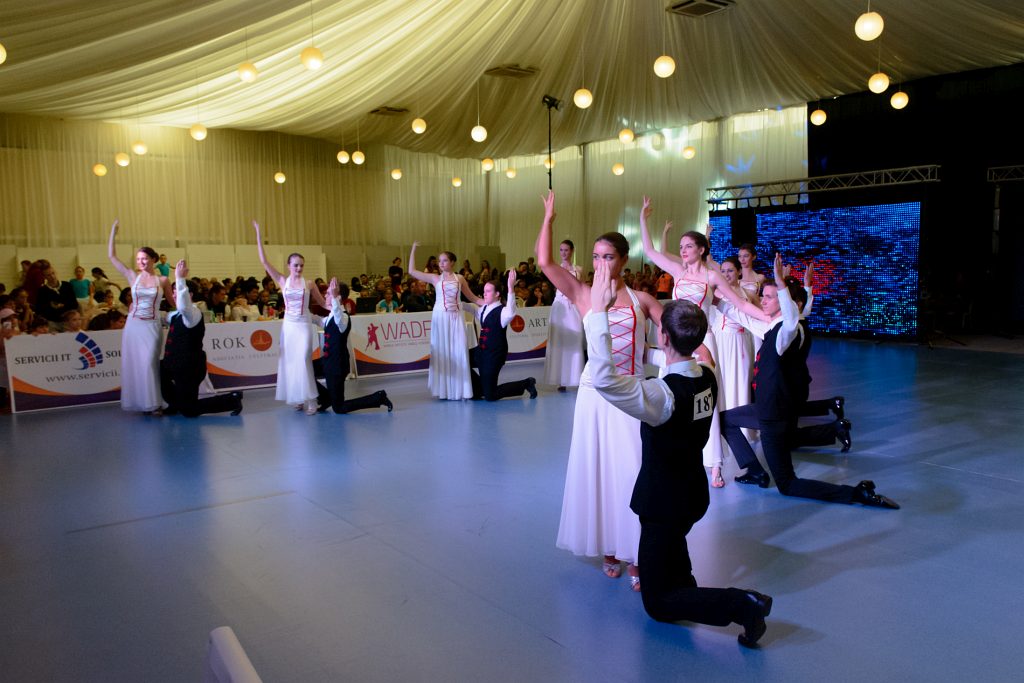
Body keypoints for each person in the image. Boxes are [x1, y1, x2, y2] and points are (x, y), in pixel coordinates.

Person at [586, 260, 773, 647]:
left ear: (664, 336)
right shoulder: (708, 374)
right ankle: (687, 585)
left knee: (658, 603)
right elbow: (676, 362)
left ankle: (743, 605)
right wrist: (649, 353)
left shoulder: (661, 396)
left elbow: (604, 379)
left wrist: (599, 313)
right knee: (674, 554)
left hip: (663, 502)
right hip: (691, 494)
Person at [539, 191, 663, 589]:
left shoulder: (643, 300)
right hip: (595, 394)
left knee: (632, 470)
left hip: (632, 393)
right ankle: (610, 547)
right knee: (600, 471)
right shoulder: (581, 293)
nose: (599, 264)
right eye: (595, 257)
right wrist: (548, 219)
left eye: (607, 257)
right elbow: (544, 263)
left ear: (624, 260)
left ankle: (636, 550)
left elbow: (676, 335)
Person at [716, 253, 899, 508]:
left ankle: (856, 493)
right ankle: (754, 470)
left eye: (769, 297)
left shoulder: (786, 333)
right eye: (764, 296)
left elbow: (793, 319)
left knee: (787, 484)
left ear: (786, 302)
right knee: (726, 420)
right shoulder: (774, 328)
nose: (762, 300)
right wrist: (716, 301)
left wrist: (782, 284)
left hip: (773, 415)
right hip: (771, 409)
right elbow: (745, 318)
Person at [640, 197, 747, 488]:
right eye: (681, 246)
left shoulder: (712, 276)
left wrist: (764, 317)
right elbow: (649, 250)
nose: (683, 250)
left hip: (703, 340)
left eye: (688, 246)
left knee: (704, 400)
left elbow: (737, 302)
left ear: (701, 249)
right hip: (676, 341)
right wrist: (643, 219)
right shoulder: (678, 272)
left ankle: (715, 464)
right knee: (674, 396)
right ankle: (675, 454)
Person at [252, 220, 325, 414]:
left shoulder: (309, 284)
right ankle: (298, 398)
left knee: (303, 360)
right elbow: (264, 261)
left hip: (304, 325)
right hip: (289, 326)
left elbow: (323, 303)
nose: (299, 268)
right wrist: (258, 234)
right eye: (295, 265)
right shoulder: (282, 280)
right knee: (291, 362)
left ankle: (312, 399)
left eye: (301, 265)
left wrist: (336, 305)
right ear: (289, 265)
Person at [160, 260, 243, 417]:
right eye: (173, 292)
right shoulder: (174, 315)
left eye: (176, 292)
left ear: (189, 295)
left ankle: (232, 399)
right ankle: (175, 404)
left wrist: (180, 279)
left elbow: (183, 306)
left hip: (189, 368)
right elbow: (164, 316)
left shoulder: (193, 313)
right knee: (159, 370)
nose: (173, 295)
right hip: (173, 364)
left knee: (189, 410)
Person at [108, 219, 173, 413]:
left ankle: (155, 401)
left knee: (149, 362)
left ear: (153, 259)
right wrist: (113, 233)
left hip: (152, 326)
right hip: (133, 326)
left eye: (144, 258)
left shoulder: (163, 280)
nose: (140, 262)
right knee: (136, 364)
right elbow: (112, 256)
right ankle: (146, 403)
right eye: (138, 259)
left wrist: (190, 308)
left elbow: (173, 302)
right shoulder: (132, 276)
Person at [408, 242, 482, 400]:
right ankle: (444, 390)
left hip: (456, 317)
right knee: (442, 351)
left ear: (452, 262)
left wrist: (488, 302)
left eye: (444, 260)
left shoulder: (460, 278)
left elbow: (472, 297)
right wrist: (413, 249)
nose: (441, 263)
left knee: (458, 351)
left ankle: (460, 389)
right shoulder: (435, 278)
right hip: (440, 317)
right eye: (439, 261)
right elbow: (412, 271)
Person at [314, 277, 393, 414]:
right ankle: (325, 398)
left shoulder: (343, 317)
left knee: (338, 408)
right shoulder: (331, 316)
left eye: (328, 293)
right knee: (306, 370)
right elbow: (318, 320)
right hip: (327, 361)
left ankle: (378, 398)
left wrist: (334, 297)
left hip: (337, 366)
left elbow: (338, 317)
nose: (325, 295)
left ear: (338, 297)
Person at [470, 270, 538, 401]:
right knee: (462, 358)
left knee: (490, 396)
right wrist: (456, 303)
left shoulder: (503, 312)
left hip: (494, 355)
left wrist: (511, 288)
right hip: (480, 352)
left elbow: (511, 312)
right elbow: (472, 307)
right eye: (484, 291)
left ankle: (526, 383)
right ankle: (479, 389)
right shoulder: (484, 309)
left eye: (488, 291)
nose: (484, 293)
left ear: (497, 294)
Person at [543, 239, 584, 391]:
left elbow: (581, 289)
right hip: (559, 306)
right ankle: (560, 379)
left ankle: (575, 377)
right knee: (559, 342)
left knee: (575, 340)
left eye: (566, 250)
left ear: (572, 251)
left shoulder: (579, 269)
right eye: (561, 250)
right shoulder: (555, 268)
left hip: (573, 306)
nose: (563, 253)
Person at [35, 264, 79, 329]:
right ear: (44, 277)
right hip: (51, 322)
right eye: (48, 275)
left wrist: (66, 313)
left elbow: (74, 304)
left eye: (53, 273)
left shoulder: (67, 285)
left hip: (67, 321)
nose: (52, 276)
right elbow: (40, 309)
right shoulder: (42, 291)